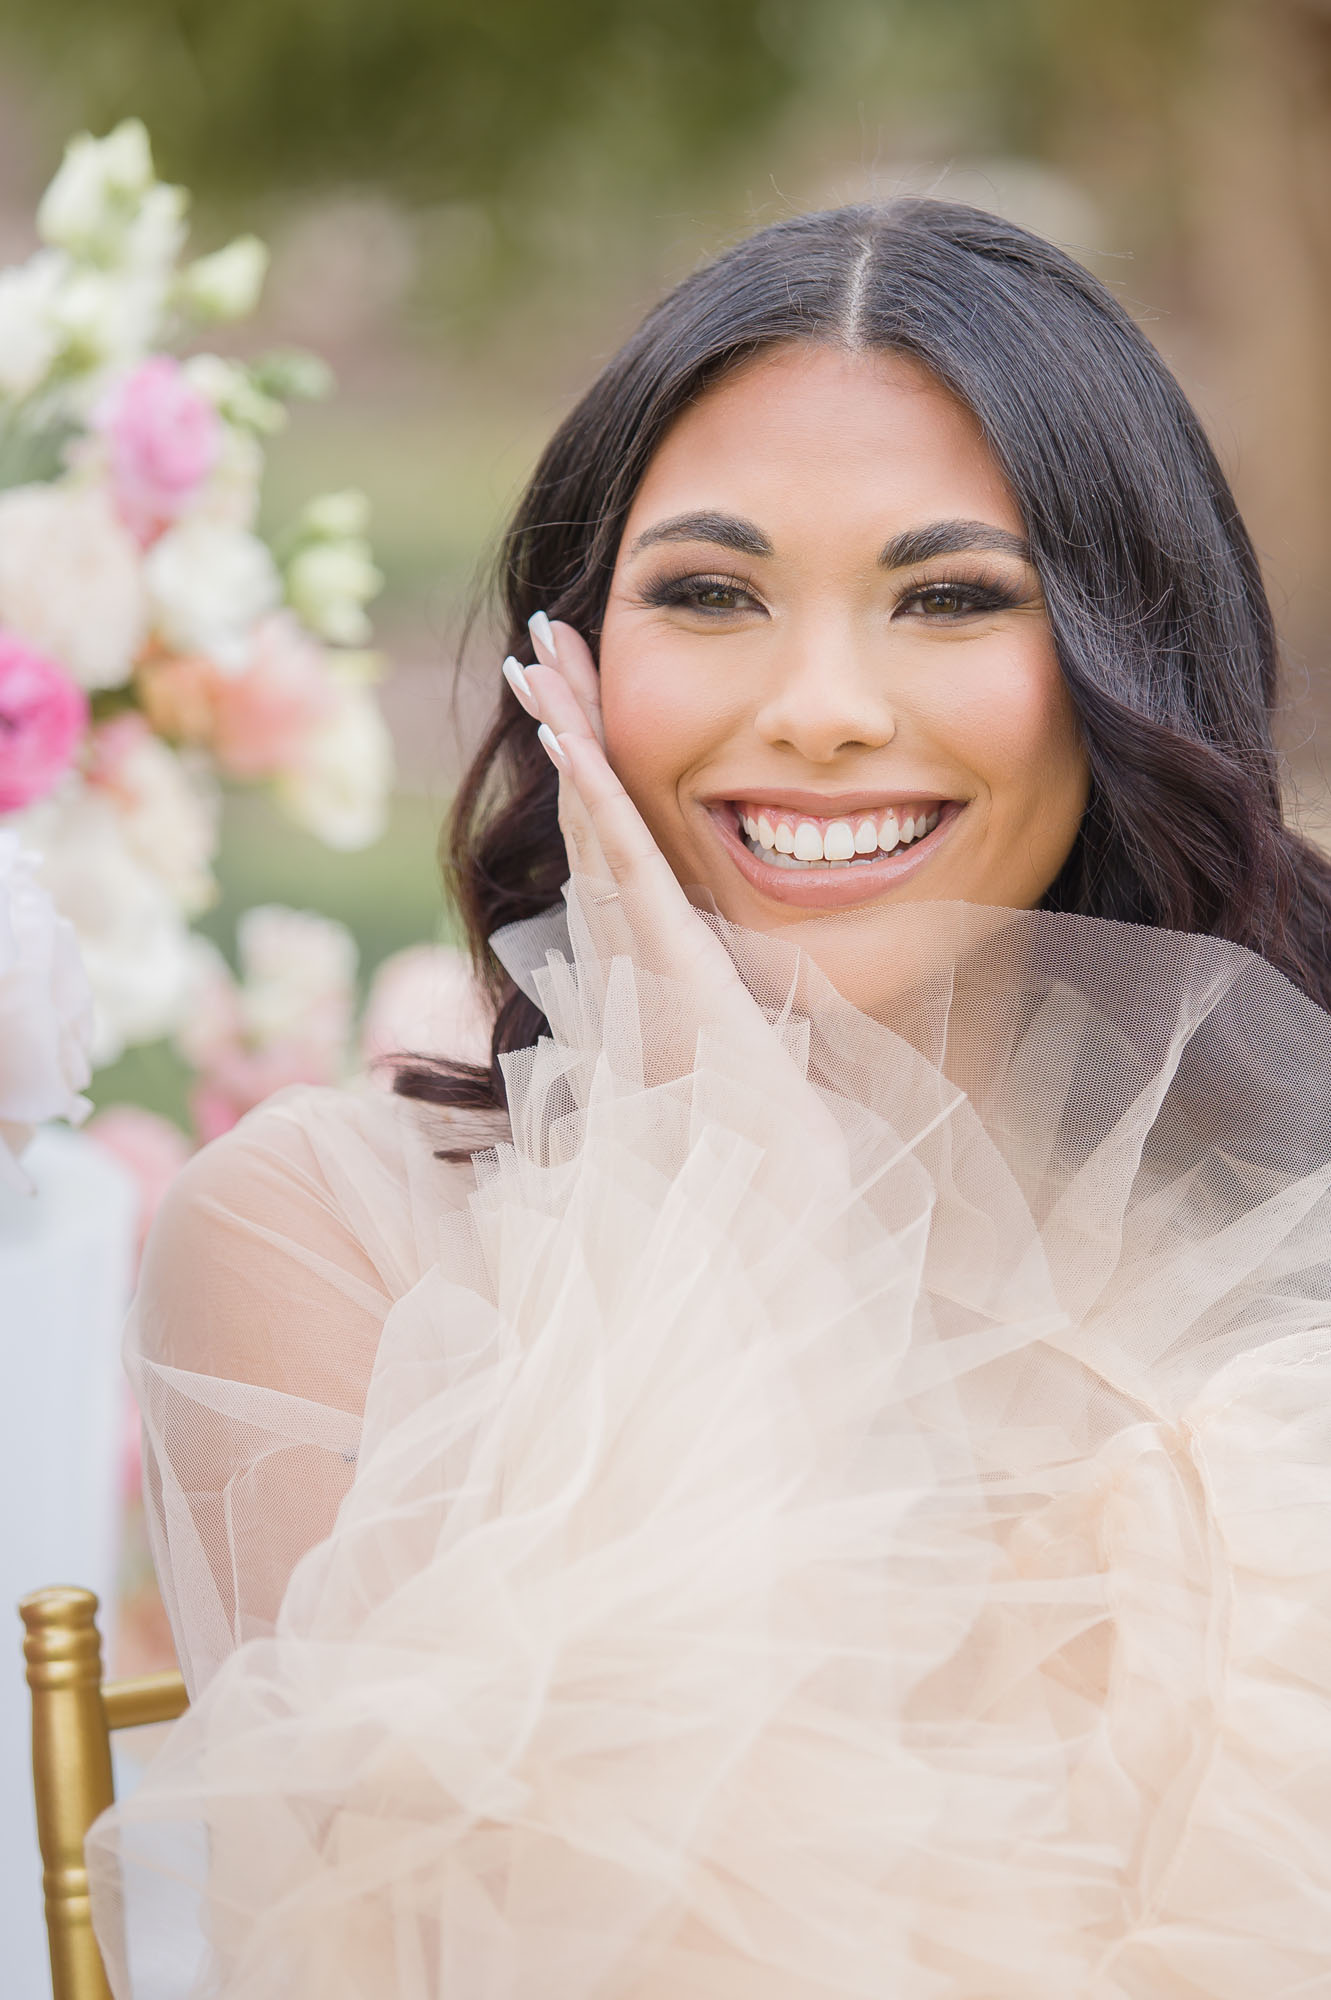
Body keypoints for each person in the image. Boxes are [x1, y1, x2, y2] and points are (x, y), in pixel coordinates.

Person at [89, 202, 1331, 1997]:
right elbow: (444, 1954)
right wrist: (725, 1175)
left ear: (1127, 667)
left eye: (952, 596)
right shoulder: (323, 1242)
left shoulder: (1274, 1232)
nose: (820, 708)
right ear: (577, 656)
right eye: (711, 595)